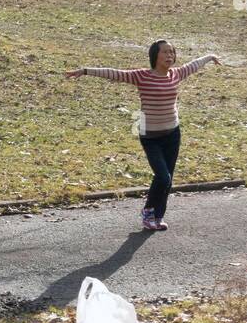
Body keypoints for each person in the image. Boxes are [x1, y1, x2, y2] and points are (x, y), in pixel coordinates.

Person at [66, 42, 221, 230]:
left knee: (168, 178)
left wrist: (210, 56)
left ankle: (157, 217)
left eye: (172, 52)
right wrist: (85, 71)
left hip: (172, 133)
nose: (169, 55)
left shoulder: (176, 74)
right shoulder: (142, 76)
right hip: (150, 136)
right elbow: (115, 73)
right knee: (162, 177)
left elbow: (194, 64)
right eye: (165, 52)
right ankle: (148, 211)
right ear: (155, 55)